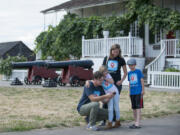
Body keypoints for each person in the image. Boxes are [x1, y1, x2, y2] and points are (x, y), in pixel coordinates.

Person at [102, 44, 127, 125]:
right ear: (111, 50)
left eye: (117, 51)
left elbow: (125, 73)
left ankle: (114, 120)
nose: (115, 53)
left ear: (119, 51)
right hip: (106, 84)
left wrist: (121, 81)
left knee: (114, 103)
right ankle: (104, 120)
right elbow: (101, 70)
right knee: (105, 101)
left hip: (116, 85)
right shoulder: (106, 59)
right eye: (113, 51)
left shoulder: (121, 59)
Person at [127, 58, 145, 129]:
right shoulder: (129, 73)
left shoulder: (138, 71)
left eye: (132, 65)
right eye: (130, 65)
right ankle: (135, 122)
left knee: (138, 107)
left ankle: (138, 123)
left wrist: (143, 90)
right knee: (134, 108)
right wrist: (129, 92)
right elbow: (130, 83)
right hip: (132, 92)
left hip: (138, 92)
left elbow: (142, 81)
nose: (131, 66)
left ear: (135, 65)